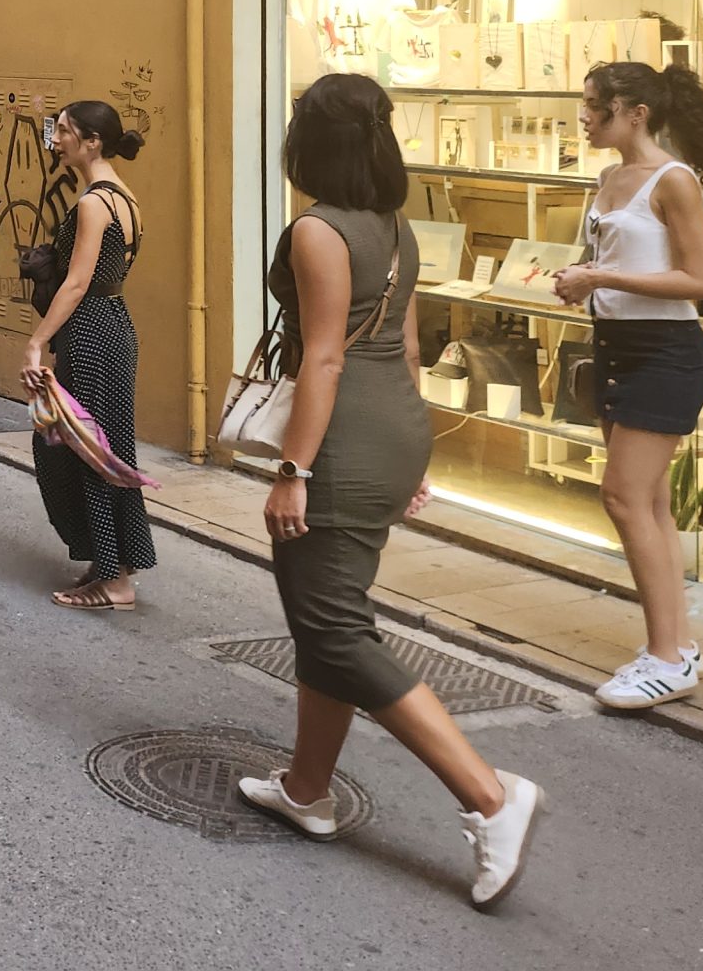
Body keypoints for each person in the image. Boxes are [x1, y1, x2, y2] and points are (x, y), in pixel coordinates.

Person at [240, 76, 545, 908]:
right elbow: (407, 349)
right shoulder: (398, 228)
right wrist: (410, 457)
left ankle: (491, 797)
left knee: (336, 630)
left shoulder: (317, 230)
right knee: (326, 619)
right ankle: (307, 790)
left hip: (341, 444)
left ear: (309, 143)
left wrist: (294, 471)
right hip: (393, 429)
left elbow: (325, 358)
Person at [553, 62, 703, 709]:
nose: (583, 116)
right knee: (651, 504)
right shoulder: (608, 178)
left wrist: (599, 278)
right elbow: (618, 261)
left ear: (635, 113)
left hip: (666, 353)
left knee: (624, 497)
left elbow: (700, 281)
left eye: (594, 105)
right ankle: (676, 647)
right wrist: (582, 274)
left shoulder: (674, 179)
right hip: (616, 347)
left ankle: (667, 659)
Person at [22, 101, 157, 609]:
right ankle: (112, 563)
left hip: (91, 331)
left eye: (64, 131)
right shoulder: (124, 197)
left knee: (82, 448)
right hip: (113, 325)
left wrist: (36, 341)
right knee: (102, 447)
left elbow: (78, 283)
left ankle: (116, 580)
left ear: (93, 141)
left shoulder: (93, 204)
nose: (55, 139)